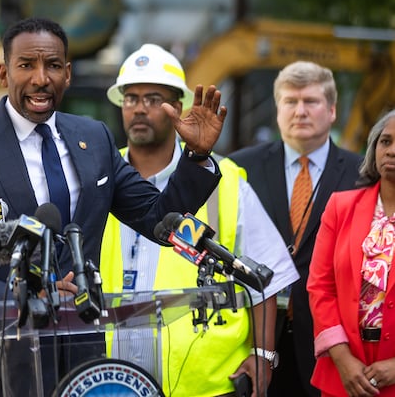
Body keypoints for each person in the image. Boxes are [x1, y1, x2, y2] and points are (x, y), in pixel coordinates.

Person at [0, 17, 227, 396]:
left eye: (53, 66)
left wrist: (196, 155)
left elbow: (157, 217)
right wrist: (26, 299)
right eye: (26, 65)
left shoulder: (93, 137)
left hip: (81, 364)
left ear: (68, 74)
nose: (41, 78)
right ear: (4, 72)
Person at [99, 44, 299, 396]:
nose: (139, 108)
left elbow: (267, 274)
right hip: (111, 381)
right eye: (130, 98)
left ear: (178, 107)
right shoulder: (97, 178)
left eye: (152, 97)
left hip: (205, 385)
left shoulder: (226, 181)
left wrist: (263, 354)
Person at [229, 60, 363, 396]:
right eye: (290, 101)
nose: (300, 111)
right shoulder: (239, 167)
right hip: (256, 341)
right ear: (277, 110)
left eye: (311, 102)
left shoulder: (362, 173)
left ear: (332, 111)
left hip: (332, 343)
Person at [307, 109, 395, 397]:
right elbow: (320, 287)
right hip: (344, 372)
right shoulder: (340, 207)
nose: (391, 151)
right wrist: (342, 359)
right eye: (385, 142)